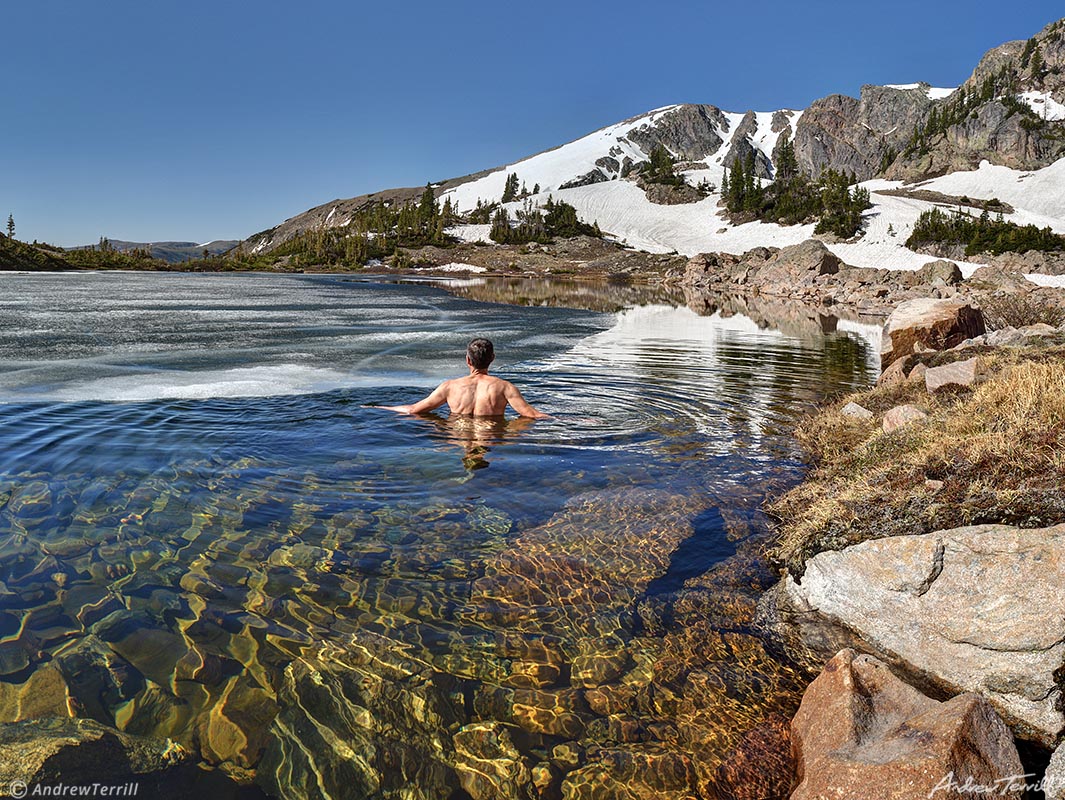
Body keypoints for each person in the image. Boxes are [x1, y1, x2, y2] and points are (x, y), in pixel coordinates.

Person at [379, 338, 550, 418]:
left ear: (468, 360)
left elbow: (413, 410)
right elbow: (532, 415)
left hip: (457, 435)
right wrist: (569, 420)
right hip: (491, 436)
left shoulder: (450, 387)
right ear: (492, 358)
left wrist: (381, 407)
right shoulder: (505, 388)